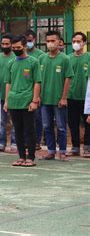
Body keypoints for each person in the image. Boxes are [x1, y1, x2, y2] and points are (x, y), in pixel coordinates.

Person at [4, 35, 41, 167]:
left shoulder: (33, 62)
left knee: (29, 129)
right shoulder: (11, 63)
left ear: (25, 46)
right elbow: (8, 83)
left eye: (18, 47)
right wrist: (7, 101)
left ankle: (30, 157)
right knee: (17, 130)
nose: (15, 50)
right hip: (14, 101)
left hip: (27, 101)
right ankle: (21, 156)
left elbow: (37, 82)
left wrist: (35, 101)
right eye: (13, 48)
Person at [39, 30, 74, 161]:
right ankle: (51, 151)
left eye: (53, 41)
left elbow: (68, 78)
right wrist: (38, 96)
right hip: (44, 100)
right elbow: (38, 79)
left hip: (59, 100)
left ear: (59, 42)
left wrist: (64, 97)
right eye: (48, 41)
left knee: (61, 127)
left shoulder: (65, 59)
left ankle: (63, 151)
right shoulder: (41, 58)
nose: (50, 43)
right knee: (47, 126)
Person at [67, 32, 90, 157]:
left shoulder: (89, 57)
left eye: (79, 41)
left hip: (86, 98)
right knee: (73, 122)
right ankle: (75, 147)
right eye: (74, 41)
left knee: (88, 123)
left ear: (84, 43)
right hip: (71, 96)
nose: (76, 43)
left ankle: (87, 146)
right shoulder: (68, 58)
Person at [0, 34, 16, 152]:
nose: (5, 46)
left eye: (7, 44)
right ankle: (1, 142)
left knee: (14, 121)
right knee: (1, 121)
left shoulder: (15, 58)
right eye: (3, 44)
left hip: (13, 95)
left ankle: (14, 142)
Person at [25, 29, 45, 148]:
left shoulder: (40, 56)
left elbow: (40, 78)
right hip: (24, 92)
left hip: (36, 92)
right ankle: (26, 141)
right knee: (24, 120)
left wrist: (38, 96)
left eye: (30, 41)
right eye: (26, 41)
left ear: (35, 40)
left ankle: (36, 141)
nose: (28, 43)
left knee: (37, 118)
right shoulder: (19, 55)